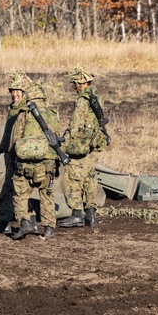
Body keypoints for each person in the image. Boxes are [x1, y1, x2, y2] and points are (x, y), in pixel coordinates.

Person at [8, 82, 62, 241]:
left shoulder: (24, 113)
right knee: (47, 195)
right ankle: (49, 229)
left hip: (26, 166)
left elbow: (14, 139)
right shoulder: (53, 114)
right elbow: (56, 140)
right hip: (47, 165)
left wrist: (13, 157)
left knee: (20, 195)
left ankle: (24, 222)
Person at [57, 66, 107, 228]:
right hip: (91, 144)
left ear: (80, 84)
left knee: (70, 180)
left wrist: (63, 144)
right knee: (89, 178)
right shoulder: (97, 98)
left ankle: (77, 214)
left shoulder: (82, 100)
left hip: (79, 146)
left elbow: (75, 125)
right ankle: (91, 213)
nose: (74, 86)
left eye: (75, 83)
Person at [0, 72, 33, 234]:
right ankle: (28, 221)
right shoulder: (13, 109)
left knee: (11, 190)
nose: (14, 94)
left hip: (19, 157)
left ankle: (6, 222)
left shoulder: (27, 111)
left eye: (18, 90)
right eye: (12, 91)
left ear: (25, 91)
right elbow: (8, 134)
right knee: (18, 190)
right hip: (10, 155)